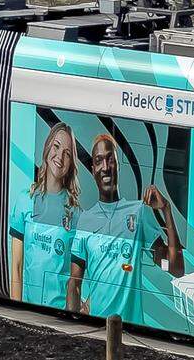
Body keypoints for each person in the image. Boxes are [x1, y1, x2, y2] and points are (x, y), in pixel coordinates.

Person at [67, 134, 184, 322]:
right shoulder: (85, 220)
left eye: (110, 159)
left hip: (132, 331)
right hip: (94, 330)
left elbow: (176, 268)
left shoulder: (139, 212)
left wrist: (166, 210)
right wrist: (72, 324)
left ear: (118, 165)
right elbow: (75, 282)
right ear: (93, 169)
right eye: (98, 161)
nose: (105, 167)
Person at [9, 122, 82, 306]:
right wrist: (16, 312)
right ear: (48, 148)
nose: (60, 156)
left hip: (59, 315)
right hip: (28, 309)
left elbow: (79, 278)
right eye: (56, 147)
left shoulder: (76, 213)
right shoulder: (25, 201)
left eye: (67, 153)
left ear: (71, 162)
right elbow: (16, 267)